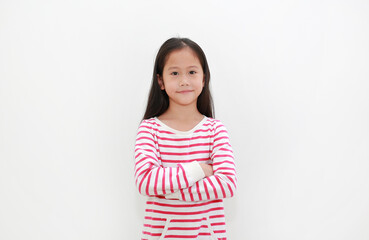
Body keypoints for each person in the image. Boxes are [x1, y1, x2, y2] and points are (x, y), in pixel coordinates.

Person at [134, 37, 237, 240]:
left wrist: (171, 192)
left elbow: (227, 183)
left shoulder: (215, 130)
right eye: (174, 73)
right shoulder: (149, 129)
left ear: (204, 79)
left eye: (192, 72)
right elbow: (146, 182)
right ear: (160, 81)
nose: (184, 81)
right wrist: (200, 169)